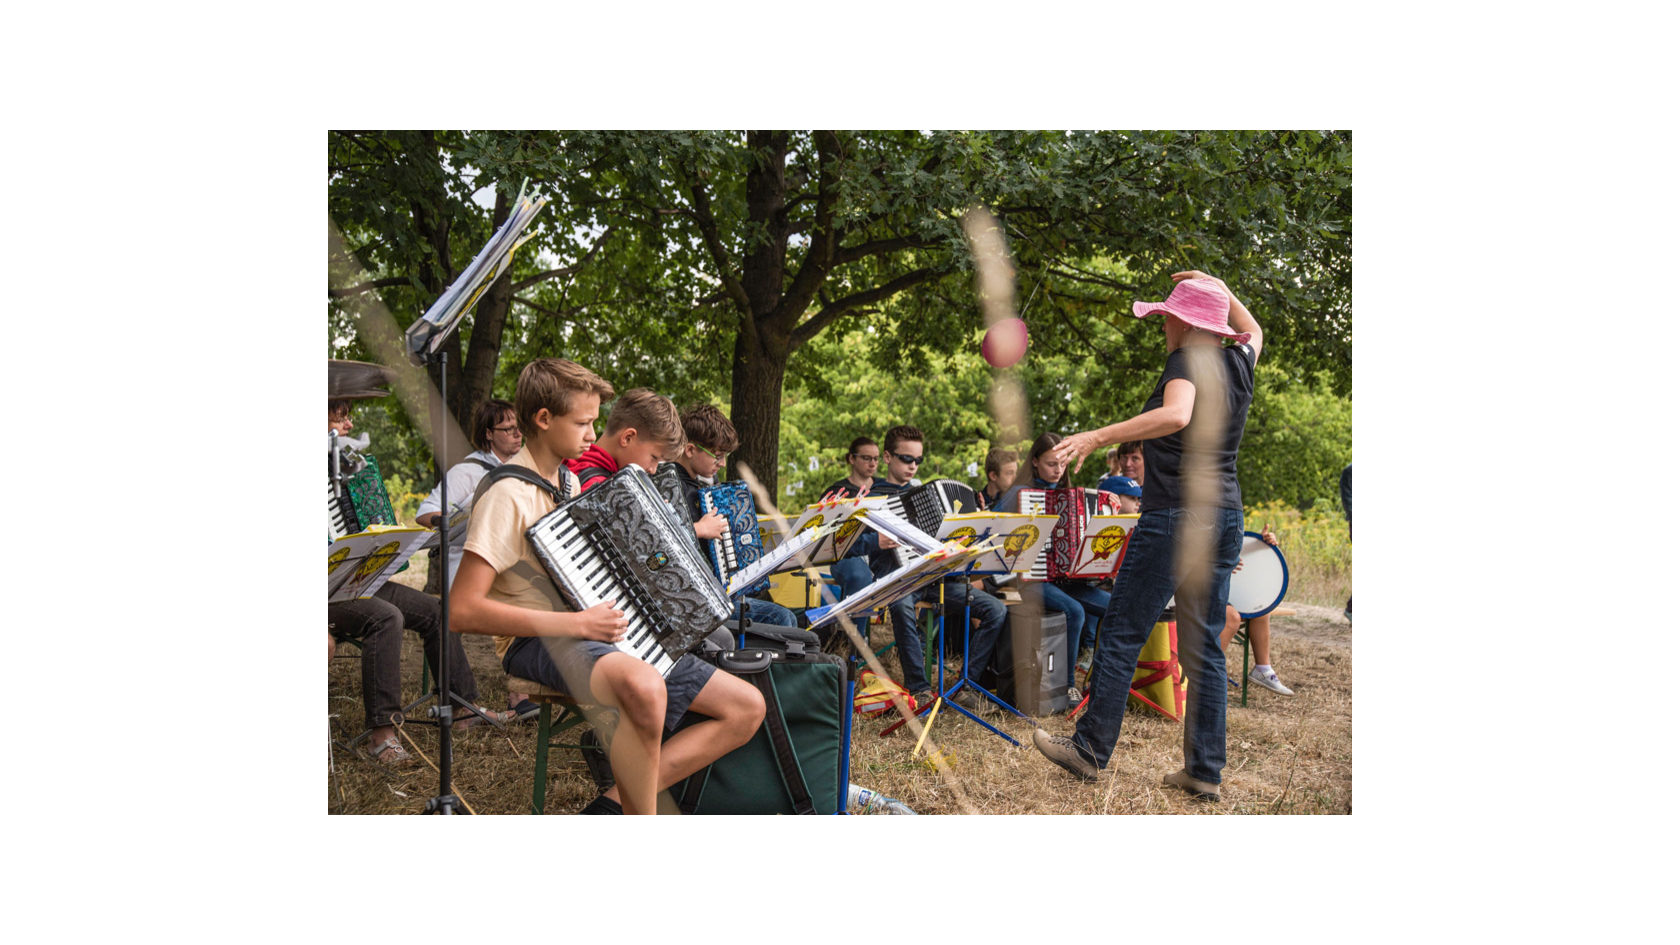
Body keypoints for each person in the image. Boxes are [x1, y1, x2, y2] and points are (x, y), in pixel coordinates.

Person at [451, 364, 764, 815]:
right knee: (645, 685)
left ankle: (610, 809)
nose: (592, 434)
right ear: (543, 419)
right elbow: (462, 610)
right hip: (536, 640)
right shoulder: (508, 494)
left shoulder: (569, 482)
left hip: (587, 627)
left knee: (745, 707)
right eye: (583, 423)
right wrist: (576, 622)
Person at [1032, 271, 1262, 802]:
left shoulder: (1187, 361)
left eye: (1165, 318)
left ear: (1183, 321)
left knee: (1121, 632)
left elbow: (1177, 413)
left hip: (1177, 516)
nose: (1162, 327)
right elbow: (1255, 331)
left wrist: (1098, 435)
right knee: (1203, 649)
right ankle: (1204, 770)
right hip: (1225, 515)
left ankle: (1088, 751)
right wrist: (1222, 286)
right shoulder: (1239, 363)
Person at [326, 398, 514, 765]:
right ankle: (382, 735)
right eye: (338, 417)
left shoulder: (344, 468)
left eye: (348, 416)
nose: (349, 425)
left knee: (435, 610)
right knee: (386, 617)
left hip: (354, 577)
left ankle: (461, 708)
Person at [413, 398, 539, 721]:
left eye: (518, 427)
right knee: (520, 593)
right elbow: (425, 512)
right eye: (507, 429)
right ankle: (520, 695)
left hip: (509, 560)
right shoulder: (467, 472)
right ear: (488, 435)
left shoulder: (525, 470)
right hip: (468, 563)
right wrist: (461, 520)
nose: (516, 434)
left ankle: (533, 686)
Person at [871, 425, 1008, 714]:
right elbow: (853, 544)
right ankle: (919, 690)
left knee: (996, 610)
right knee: (902, 606)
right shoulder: (874, 496)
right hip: (896, 580)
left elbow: (949, 542)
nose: (912, 466)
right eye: (906, 459)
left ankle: (964, 685)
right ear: (886, 457)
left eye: (918, 460)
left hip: (934, 579)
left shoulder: (924, 494)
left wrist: (976, 519)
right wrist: (876, 540)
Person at [994, 433, 1112, 704]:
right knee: (1075, 611)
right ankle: (1067, 685)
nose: (1058, 470)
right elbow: (994, 527)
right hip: (1030, 580)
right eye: (1051, 464)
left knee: (1115, 608)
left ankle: (1100, 680)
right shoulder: (1019, 494)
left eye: (1062, 464)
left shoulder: (1071, 496)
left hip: (1068, 580)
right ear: (1034, 462)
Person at [669, 403, 796, 628]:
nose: (723, 463)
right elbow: (661, 545)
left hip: (718, 594)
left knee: (786, 614)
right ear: (690, 450)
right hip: (694, 602)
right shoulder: (670, 487)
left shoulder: (706, 486)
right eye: (717, 456)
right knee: (782, 618)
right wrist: (699, 528)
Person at [819, 436, 887, 643]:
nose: (872, 463)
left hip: (882, 554)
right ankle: (855, 643)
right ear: (851, 459)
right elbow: (829, 538)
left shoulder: (885, 488)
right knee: (859, 575)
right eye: (866, 458)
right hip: (847, 555)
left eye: (876, 458)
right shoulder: (836, 492)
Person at [1219, 526, 1292, 695]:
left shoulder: (1228, 514)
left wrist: (1261, 543)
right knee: (1231, 617)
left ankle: (1263, 669)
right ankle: (1207, 674)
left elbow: (1238, 543)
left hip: (1222, 589)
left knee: (1259, 605)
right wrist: (1222, 559)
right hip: (1197, 590)